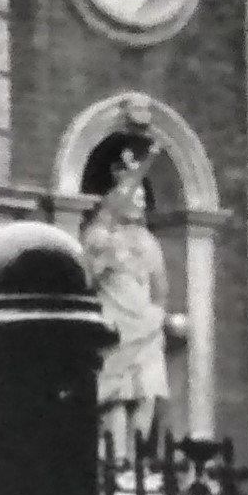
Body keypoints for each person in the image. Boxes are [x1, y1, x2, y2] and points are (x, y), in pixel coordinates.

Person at [81, 144, 183, 447]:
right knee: (116, 396)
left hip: (147, 326)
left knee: (146, 394)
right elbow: (87, 278)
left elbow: (160, 289)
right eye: (132, 196)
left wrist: (157, 317)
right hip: (115, 324)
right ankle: (117, 462)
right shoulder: (99, 237)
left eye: (142, 198)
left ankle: (137, 463)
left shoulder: (150, 242)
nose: (138, 202)